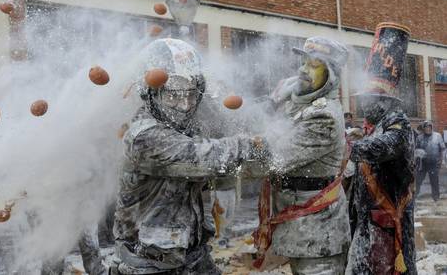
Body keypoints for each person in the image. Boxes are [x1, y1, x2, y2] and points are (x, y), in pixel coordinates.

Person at [112, 39, 266, 275]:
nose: (184, 106)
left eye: (191, 95)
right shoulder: (144, 136)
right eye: (173, 95)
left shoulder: (185, 130)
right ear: (151, 93)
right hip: (148, 263)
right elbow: (200, 159)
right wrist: (249, 144)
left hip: (190, 255)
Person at [253, 37, 351, 274]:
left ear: (331, 77)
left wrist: (216, 157)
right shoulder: (300, 101)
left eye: (314, 65)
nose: (303, 70)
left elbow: (273, 159)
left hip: (317, 232)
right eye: (304, 62)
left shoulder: (323, 116)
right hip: (299, 223)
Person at [346, 22, 416, 275]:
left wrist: (349, 147)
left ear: (383, 101)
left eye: (368, 100)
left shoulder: (398, 122)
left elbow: (384, 146)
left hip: (387, 223)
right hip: (367, 221)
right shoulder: (372, 126)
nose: (363, 105)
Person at [415, 120, 445, 202]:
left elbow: (442, 149)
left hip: (434, 162)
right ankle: (415, 195)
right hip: (422, 163)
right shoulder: (419, 137)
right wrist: (418, 155)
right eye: (426, 127)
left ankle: (436, 197)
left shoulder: (437, 136)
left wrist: (441, 161)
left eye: (429, 127)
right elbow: (416, 149)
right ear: (423, 128)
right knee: (418, 180)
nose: (428, 129)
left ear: (431, 127)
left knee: (434, 180)